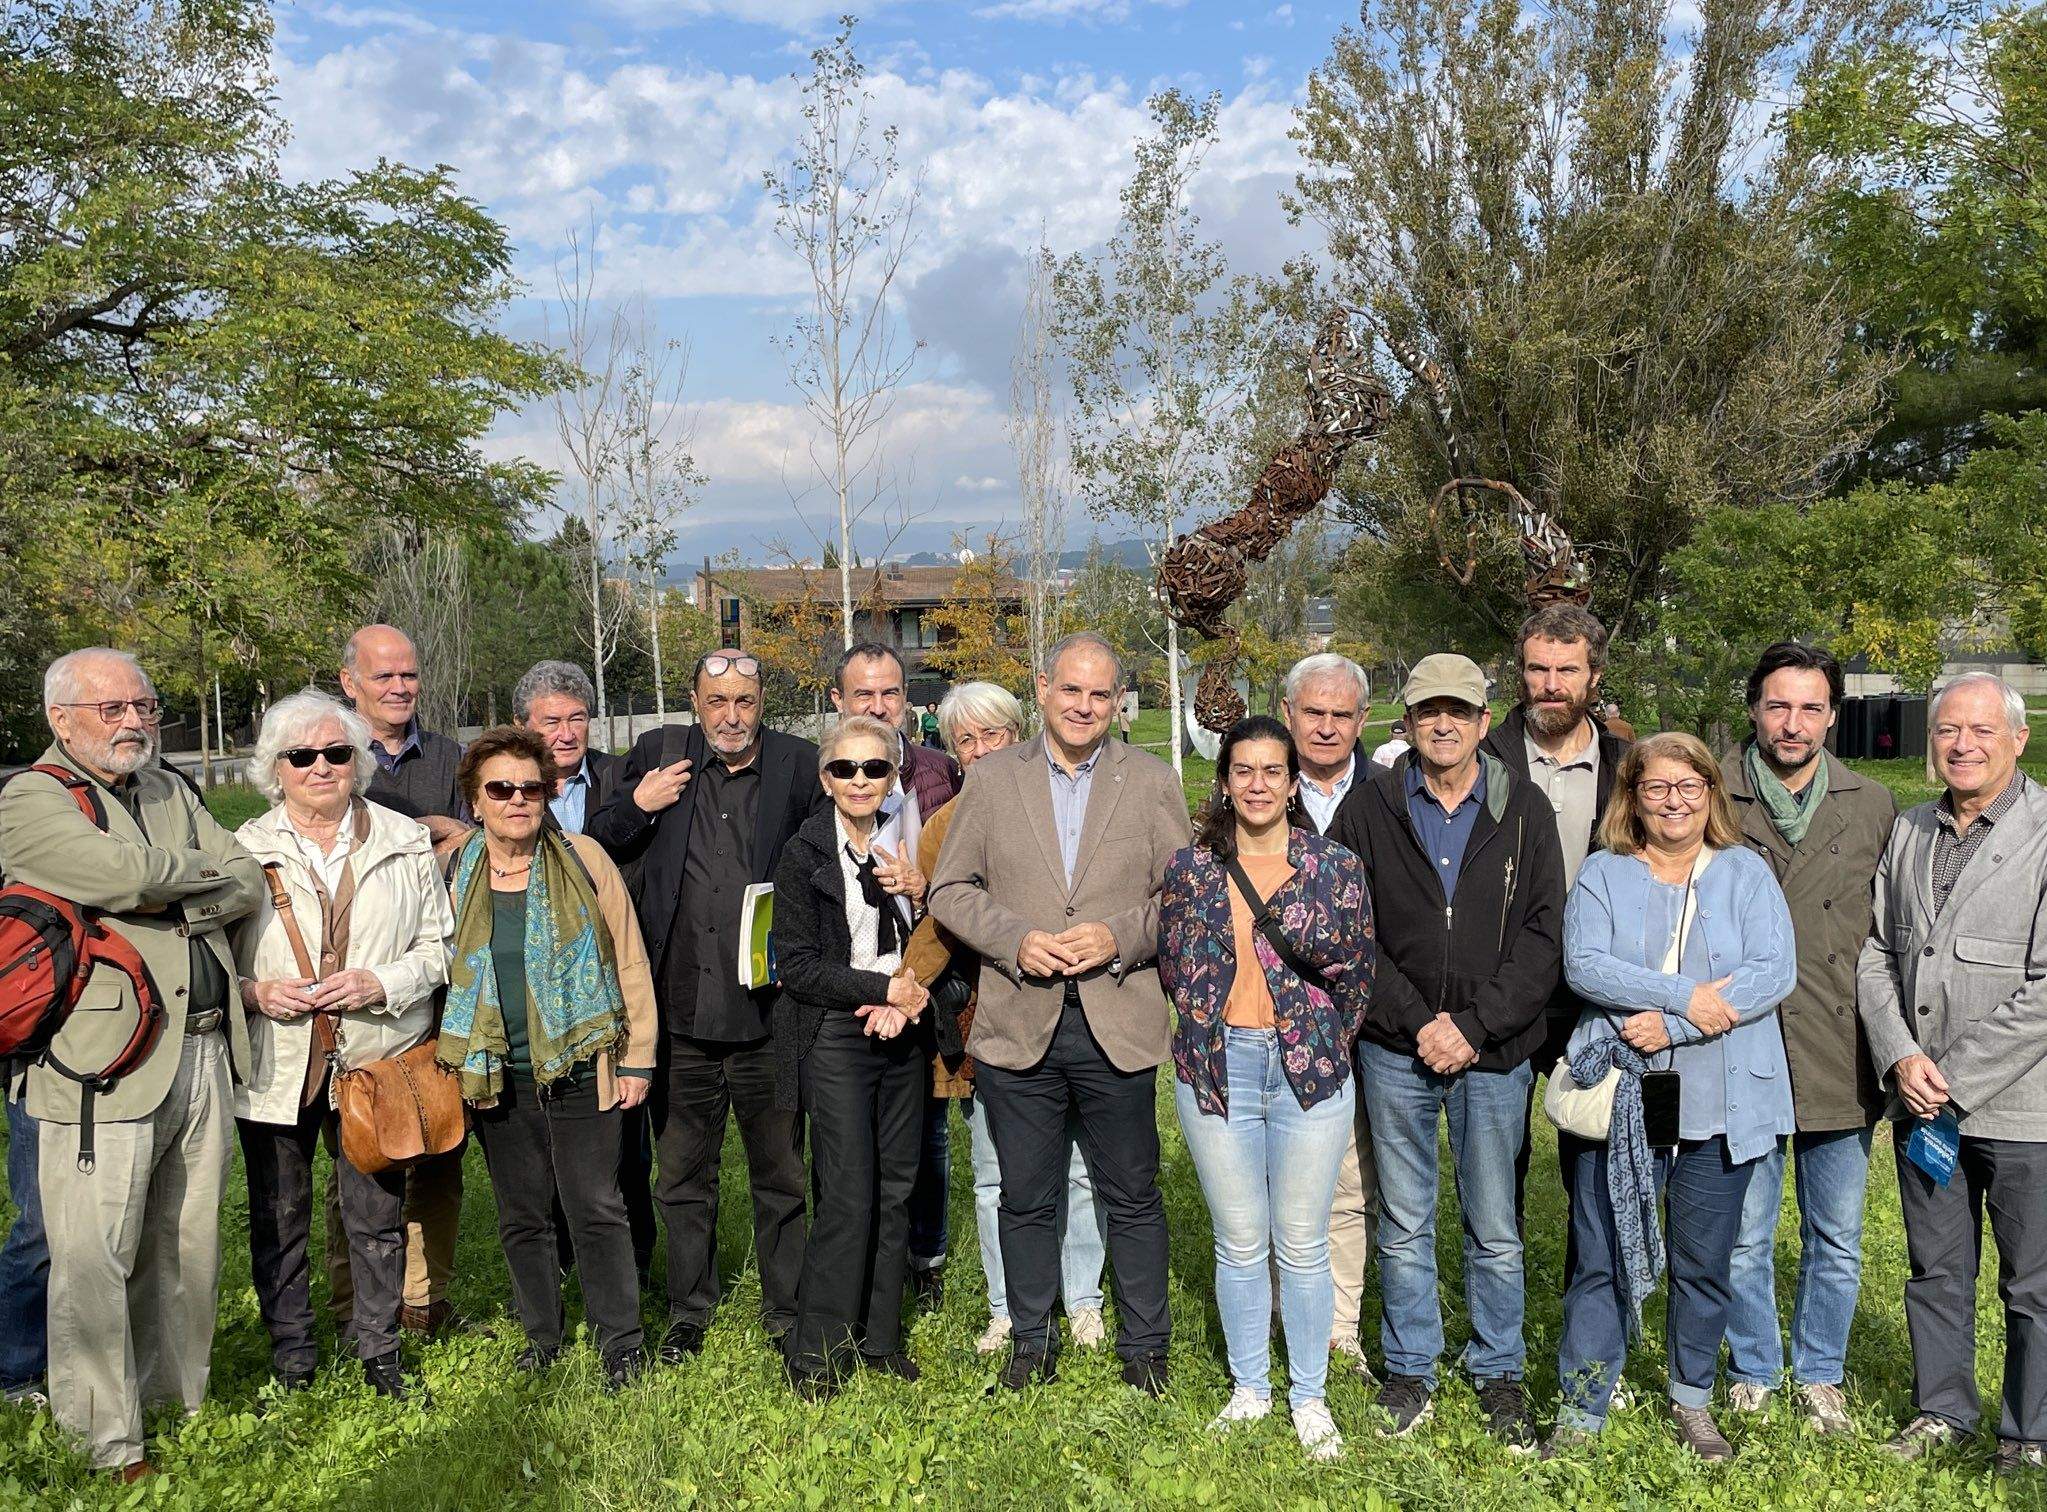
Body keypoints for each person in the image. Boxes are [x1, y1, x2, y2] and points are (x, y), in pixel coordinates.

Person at [0, 649, 263, 1478]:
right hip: (99, 1062)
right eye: (110, 709)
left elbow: (248, 877)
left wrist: (168, 887)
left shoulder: (170, 787)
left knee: (186, 1247)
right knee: (92, 1254)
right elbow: (113, 875)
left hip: (206, 1045)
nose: (132, 724)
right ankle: (103, 1441)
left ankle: (171, 1405)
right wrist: (183, 879)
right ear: (62, 719)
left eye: (143, 707)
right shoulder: (29, 798)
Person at [930, 632, 1192, 1395]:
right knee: (1025, 1194)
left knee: (1132, 1193)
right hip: (1019, 1019)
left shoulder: (1148, 781)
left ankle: (1146, 1350)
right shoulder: (991, 781)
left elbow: (1176, 897)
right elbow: (949, 890)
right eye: (1070, 690)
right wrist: (1016, 940)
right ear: (1041, 689)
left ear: (1118, 701)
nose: (1083, 706)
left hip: (1117, 1017)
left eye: (1099, 694)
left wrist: (1118, 936)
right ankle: (1030, 1342)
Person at [1329, 653, 1564, 1448]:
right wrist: (1415, 1018)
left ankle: (1499, 1372)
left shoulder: (1524, 810)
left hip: (1494, 1054)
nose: (1443, 724)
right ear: (1406, 720)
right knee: (1401, 1217)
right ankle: (1410, 1368)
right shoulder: (1367, 809)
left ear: (1482, 722)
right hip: (1395, 1048)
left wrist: (1472, 1025)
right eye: (1429, 710)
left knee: (1494, 1223)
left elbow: (1542, 938)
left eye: (1458, 712)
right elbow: (1347, 931)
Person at [1551, 734, 1797, 1462]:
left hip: (1718, 1097)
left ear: (1709, 794)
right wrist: (1685, 997)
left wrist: (1674, 1024)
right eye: (1657, 788)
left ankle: (1691, 1399)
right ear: (1632, 796)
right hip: (1632, 1096)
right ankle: (1582, 1406)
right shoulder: (1603, 873)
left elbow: (1771, 970)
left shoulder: (1745, 873)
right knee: (1601, 1259)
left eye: (1688, 787)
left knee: (1703, 1260)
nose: (1673, 802)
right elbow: (1584, 965)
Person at [585, 650, 823, 1362]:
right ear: (694, 701)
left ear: (762, 703)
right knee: (682, 1175)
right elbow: (598, 840)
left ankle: (787, 1310)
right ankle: (690, 1310)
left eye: (744, 701)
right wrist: (637, 804)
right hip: (680, 1013)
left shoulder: (798, 763)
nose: (730, 716)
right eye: (716, 701)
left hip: (769, 1013)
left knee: (780, 1173)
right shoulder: (662, 755)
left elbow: (830, 859)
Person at [1161, 716, 1374, 1460]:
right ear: (1224, 779)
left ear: (1291, 784)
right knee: (1241, 1241)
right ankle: (1250, 1387)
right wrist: (1207, 1024)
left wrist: (1314, 1040)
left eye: (1271, 772)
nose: (1256, 784)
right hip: (1217, 1068)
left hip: (1305, 1072)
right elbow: (1173, 964)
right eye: (1242, 771)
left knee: (1303, 1243)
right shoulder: (1190, 869)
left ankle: (1308, 1397)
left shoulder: (1333, 867)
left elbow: (1356, 975)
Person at [231, 691, 453, 1400]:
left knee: (377, 1216)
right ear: (276, 769)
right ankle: (294, 1360)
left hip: (376, 1058)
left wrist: (379, 982)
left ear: (358, 761)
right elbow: (209, 965)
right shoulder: (242, 852)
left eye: (336, 753)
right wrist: (256, 993)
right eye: (302, 756)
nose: (321, 767)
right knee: (281, 1216)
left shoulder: (402, 838)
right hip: (278, 1063)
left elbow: (439, 948)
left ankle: (378, 1355)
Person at [1858, 673, 2046, 1476]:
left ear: (2016, 738)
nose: (1961, 745)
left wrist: (1950, 1076)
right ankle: (1943, 1410)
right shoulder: (1908, 829)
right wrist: (1901, 1056)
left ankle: (2028, 1433)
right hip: (1919, 1103)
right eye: (1946, 731)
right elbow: (1876, 952)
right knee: (1935, 1269)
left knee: (2031, 1283)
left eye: (1978, 731)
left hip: (2020, 1107)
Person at [440, 728, 657, 1391]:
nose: (517, 800)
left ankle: (620, 1343)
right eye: (500, 788)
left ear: (548, 793)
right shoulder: (456, 868)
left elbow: (628, 958)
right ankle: (542, 1336)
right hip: (495, 1069)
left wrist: (637, 1060)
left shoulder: (584, 858)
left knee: (596, 1206)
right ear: (475, 800)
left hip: (582, 1062)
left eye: (530, 787)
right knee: (522, 1214)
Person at [901, 681, 1110, 1357]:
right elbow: (938, 926)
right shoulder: (944, 826)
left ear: (1019, 733)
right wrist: (903, 988)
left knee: (1078, 1166)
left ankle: (1081, 1300)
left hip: (1079, 1015)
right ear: (952, 752)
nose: (981, 748)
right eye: (966, 739)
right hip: (983, 1023)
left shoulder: (1068, 808)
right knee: (994, 1172)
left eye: (994, 734)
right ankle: (1006, 1307)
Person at [1721, 644, 1895, 1433]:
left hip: (1837, 1043)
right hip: (1742, 1042)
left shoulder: (1871, 803)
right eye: (1778, 707)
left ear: (1831, 715)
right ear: (1753, 709)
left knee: (1836, 1232)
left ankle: (1819, 1371)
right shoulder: (1711, 792)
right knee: (1743, 1233)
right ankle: (1753, 1367)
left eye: (1810, 708)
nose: (1792, 725)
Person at [771, 714, 932, 1396]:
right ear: (824, 777)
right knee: (846, 1196)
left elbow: (934, 941)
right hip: (836, 1035)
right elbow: (798, 966)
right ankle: (815, 1354)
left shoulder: (909, 843)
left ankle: (879, 1339)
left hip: (905, 1027)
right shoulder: (803, 851)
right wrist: (880, 988)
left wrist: (917, 900)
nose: (860, 780)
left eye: (875, 768)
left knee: (896, 1189)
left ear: (893, 774)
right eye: (845, 769)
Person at [1479, 606, 1632, 1289]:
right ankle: (1497, 1323)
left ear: (1593, 677)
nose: (1549, 684)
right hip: (1502, 989)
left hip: (1593, 999)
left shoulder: (1629, 768)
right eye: (1537, 669)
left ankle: (1588, 1312)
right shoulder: (1484, 762)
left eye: (1565, 671)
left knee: (1593, 1164)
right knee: (1493, 1169)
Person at [336, 622, 467, 1337]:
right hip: (349, 987)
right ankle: (351, 1304)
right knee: (358, 1146)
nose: (398, 688)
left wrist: (462, 832)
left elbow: (476, 844)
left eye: (408, 675)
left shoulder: (448, 756)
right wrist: (427, 830)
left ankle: (423, 1300)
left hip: (432, 976)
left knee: (437, 1143)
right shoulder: (329, 750)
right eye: (383, 676)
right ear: (349, 681)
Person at [828, 643, 961, 1304]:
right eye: (862, 695)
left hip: (924, 968)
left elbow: (968, 874)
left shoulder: (942, 772)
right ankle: (854, 1255)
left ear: (906, 698)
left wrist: (924, 884)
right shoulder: (823, 770)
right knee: (848, 1133)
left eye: (889, 694)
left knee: (926, 1128)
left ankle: (923, 1258)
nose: (877, 706)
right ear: (838, 702)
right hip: (847, 979)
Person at [514, 659, 654, 1280]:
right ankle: (561, 1265)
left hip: (611, 985)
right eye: (551, 721)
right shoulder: (506, 791)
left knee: (624, 1140)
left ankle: (634, 1262)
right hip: (532, 995)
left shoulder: (623, 779)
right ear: (524, 726)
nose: (566, 733)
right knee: (543, 1146)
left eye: (577, 719)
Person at [1279, 652, 1381, 1379]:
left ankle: (1339, 1328)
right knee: (1271, 1179)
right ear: (1287, 713)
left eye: (1340, 714)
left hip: (1359, 1021)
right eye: (1312, 712)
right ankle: (1278, 1317)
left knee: (1349, 1177)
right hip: (1265, 1021)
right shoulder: (1255, 785)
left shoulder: (1390, 796)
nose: (1324, 726)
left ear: (1361, 721)